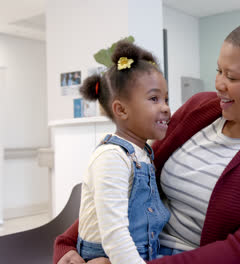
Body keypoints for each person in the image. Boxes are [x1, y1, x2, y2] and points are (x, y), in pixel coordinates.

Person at [54, 20, 240, 264]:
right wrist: (71, 246)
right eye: (218, 70)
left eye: (231, 77)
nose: (219, 84)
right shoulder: (200, 108)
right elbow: (131, 185)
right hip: (139, 251)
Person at [73, 40, 171, 264]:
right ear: (121, 109)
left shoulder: (143, 153)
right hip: (109, 257)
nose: (165, 107)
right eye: (154, 99)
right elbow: (114, 234)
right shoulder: (111, 157)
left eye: (166, 99)